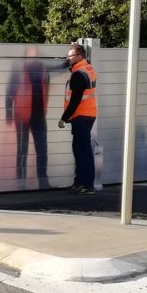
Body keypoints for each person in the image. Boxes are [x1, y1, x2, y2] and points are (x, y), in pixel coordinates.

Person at [57, 43, 98, 194]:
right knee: (81, 150)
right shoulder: (88, 69)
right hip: (87, 114)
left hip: (81, 115)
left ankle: (86, 185)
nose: (68, 59)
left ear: (79, 57)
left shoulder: (78, 74)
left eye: (70, 56)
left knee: (82, 151)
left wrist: (64, 118)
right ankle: (80, 183)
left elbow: (75, 99)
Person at [6, 46, 50, 183]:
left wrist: (69, 61)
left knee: (42, 150)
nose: (33, 54)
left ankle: (43, 181)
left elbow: (57, 69)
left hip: (39, 115)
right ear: (26, 54)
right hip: (22, 116)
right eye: (30, 52)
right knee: (22, 150)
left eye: (35, 52)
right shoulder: (18, 70)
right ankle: (21, 181)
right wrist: (8, 113)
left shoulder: (43, 68)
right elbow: (9, 92)